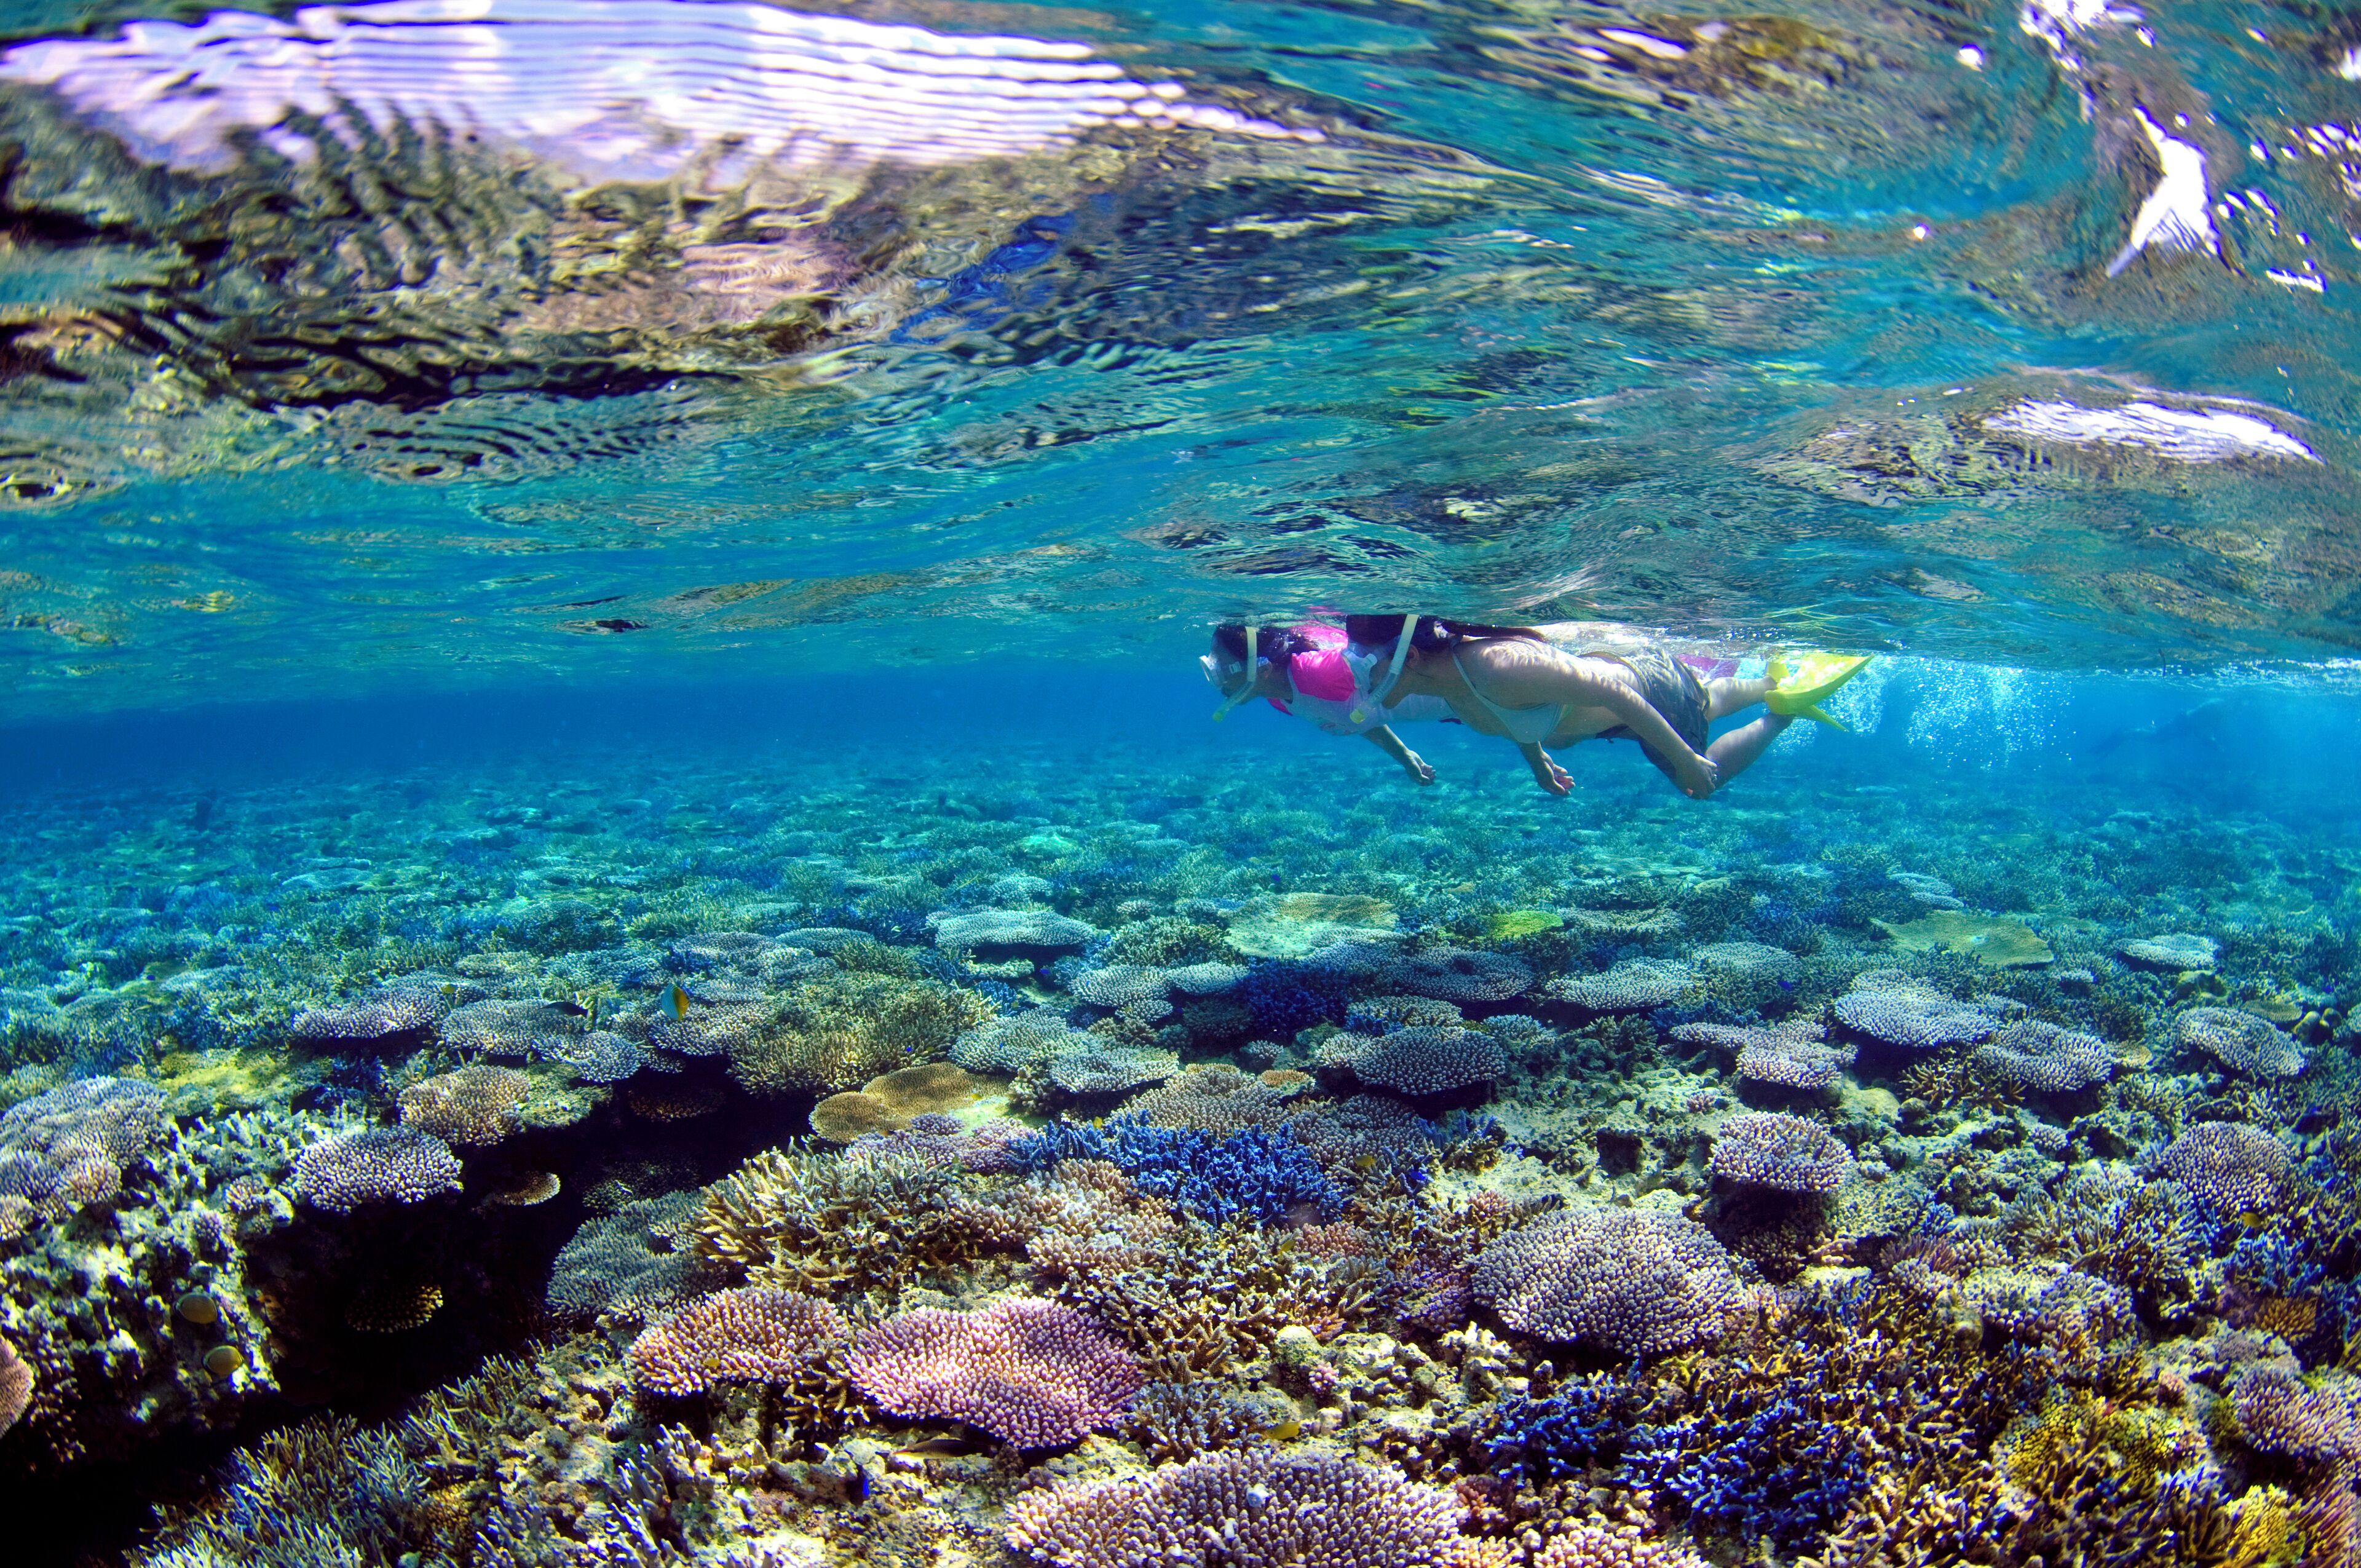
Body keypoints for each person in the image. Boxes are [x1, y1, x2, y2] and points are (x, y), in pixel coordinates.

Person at [1203, 615, 1869, 798]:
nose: (1354, 676)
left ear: (1405, 654)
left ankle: (1781, 709)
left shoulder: (1493, 665)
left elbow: (1615, 692)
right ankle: (1773, 681)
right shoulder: (1442, 683)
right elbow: (1499, 714)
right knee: (1712, 697)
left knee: (1698, 776)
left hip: (1637, 687)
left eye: (1361, 661)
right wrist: (1537, 759)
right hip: (1606, 720)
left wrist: (1688, 761)